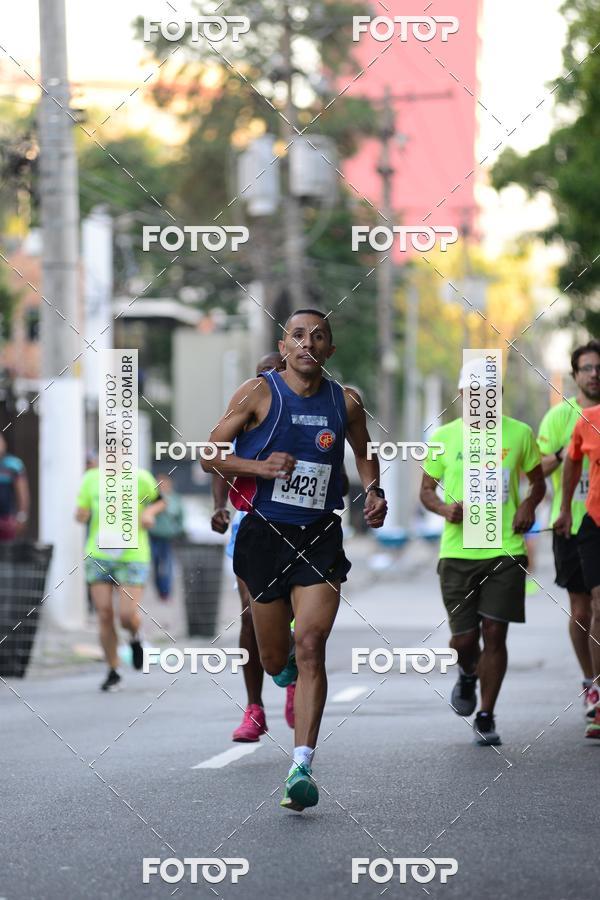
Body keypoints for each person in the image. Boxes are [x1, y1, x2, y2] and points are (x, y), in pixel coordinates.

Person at [202, 309, 387, 811]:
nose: (308, 343)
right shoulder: (257, 393)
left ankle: (301, 763)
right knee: (274, 658)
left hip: (320, 535)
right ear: (284, 347)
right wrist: (258, 466)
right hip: (263, 536)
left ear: (330, 349)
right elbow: (210, 452)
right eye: (297, 335)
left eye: (318, 336)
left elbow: (364, 451)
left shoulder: (345, 400)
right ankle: (278, 675)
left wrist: (373, 489)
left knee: (311, 643)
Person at [420, 359, 545, 746]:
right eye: (473, 393)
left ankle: (487, 714)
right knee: (463, 640)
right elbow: (425, 490)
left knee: (495, 632)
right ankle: (468, 673)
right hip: (457, 552)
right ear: (461, 395)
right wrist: (444, 509)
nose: (480, 400)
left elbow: (537, 483)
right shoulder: (444, 437)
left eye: (488, 393)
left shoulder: (520, 434)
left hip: (505, 549)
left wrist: (528, 506)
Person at [211, 351, 292, 742]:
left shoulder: (302, 415)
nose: (268, 381)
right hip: (251, 522)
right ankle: (255, 708)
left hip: (299, 525)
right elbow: (217, 457)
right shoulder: (246, 409)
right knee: (250, 617)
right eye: (262, 374)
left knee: (291, 616)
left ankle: (292, 678)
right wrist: (218, 506)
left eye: (274, 373)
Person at [538, 339, 600, 716]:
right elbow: (538, 467)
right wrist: (566, 452)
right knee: (582, 611)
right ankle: (589, 680)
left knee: (599, 604)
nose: (595, 374)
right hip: (572, 525)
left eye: (599, 367)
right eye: (587, 368)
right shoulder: (561, 417)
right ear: (575, 375)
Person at [75, 465, 165, 691]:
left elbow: (160, 500)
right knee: (104, 614)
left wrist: (149, 513)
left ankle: (135, 637)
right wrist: (81, 514)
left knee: (126, 615)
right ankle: (113, 670)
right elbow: (81, 511)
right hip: (99, 554)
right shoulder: (91, 478)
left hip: (132, 555)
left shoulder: (141, 477)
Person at [554, 368, 600, 739]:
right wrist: (566, 508)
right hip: (594, 524)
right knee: (593, 607)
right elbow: (570, 462)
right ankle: (597, 692)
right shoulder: (588, 420)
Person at [149, 474, 185, 601]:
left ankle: (166, 591)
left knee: (167, 564)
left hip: (168, 538)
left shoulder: (175, 499)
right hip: (153, 536)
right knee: (155, 564)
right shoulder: (151, 499)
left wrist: (178, 531)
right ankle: (159, 589)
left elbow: (180, 518)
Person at [0, 434, 30, 541]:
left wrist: (22, 516)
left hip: (7, 519)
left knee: (6, 553)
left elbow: (23, 493)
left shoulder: (13, 465)